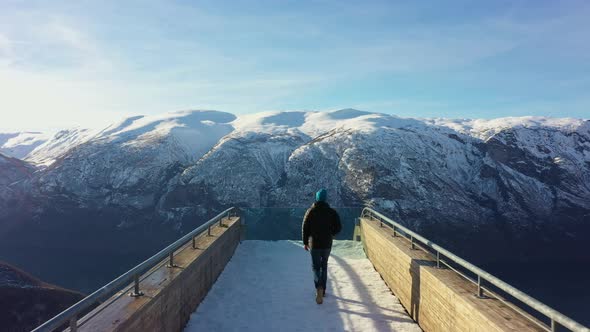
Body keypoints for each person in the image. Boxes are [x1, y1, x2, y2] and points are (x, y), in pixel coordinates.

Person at [301, 189, 342, 304]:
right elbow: (339, 227)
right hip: (327, 244)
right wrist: (331, 233)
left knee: (315, 267)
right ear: (325, 199)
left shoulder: (311, 211)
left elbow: (305, 228)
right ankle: (323, 289)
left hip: (314, 244)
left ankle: (318, 287)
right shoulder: (332, 212)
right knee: (324, 266)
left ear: (317, 198)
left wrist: (305, 242)